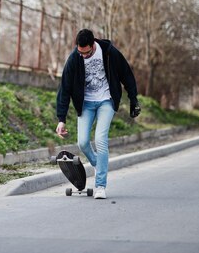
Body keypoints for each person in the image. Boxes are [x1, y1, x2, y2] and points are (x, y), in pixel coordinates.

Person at [55, 29, 141, 199]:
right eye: (81, 52)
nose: (84, 56)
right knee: (83, 143)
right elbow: (64, 89)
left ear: (93, 45)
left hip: (106, 101)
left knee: (101, 139)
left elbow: (126, 74)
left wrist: (133, 100)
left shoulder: (109, 52)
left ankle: (100, 185)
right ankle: (98, 164)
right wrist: (61, 119)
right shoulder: (74, 58)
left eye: (87, 53)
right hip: (86, 104)